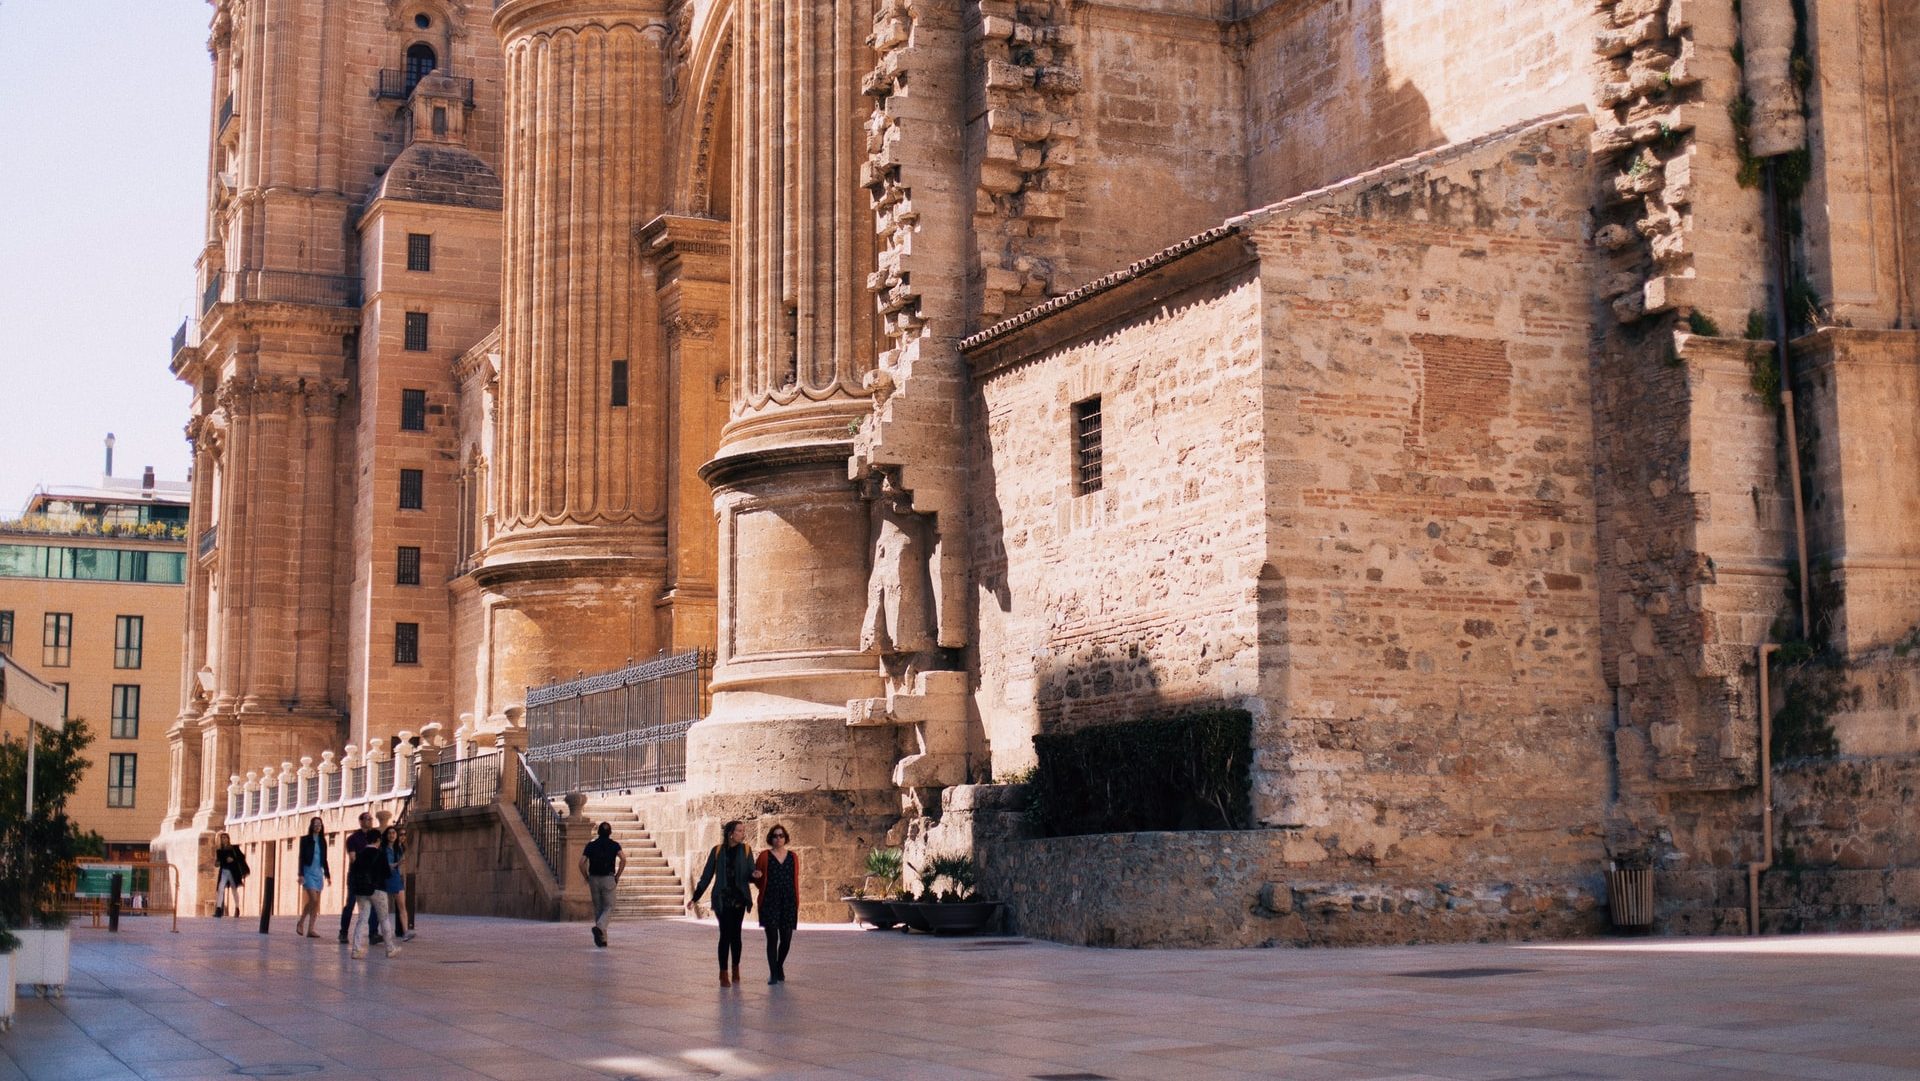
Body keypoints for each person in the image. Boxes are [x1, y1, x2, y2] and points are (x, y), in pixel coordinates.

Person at [688, 820, 753, 987]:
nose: (742, 834)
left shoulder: (746, 850)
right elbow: (706, 876)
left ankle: (735, 967)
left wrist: (756, 875)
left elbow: (750, 873)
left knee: (736, 935)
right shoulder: (717, 851)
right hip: (722, 899)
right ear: (731, 833)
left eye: (743, 831)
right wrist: (695, 897)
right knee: (725, 934)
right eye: (739, 831)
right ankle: (723, 972)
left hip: (738, 898)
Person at [752, 824, 800, 985]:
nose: (778, 838)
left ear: (785, 838)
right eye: (775, 836)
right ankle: (773, 973)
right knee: (772, 939)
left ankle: (779, 966)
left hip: (788, 901)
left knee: (786, 939)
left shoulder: (793, 857)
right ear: (770, 838)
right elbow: (758, 879)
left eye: (781, 836)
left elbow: (795, 879)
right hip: (770, 901)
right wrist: (757, 876)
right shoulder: (765, 856)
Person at [346, 828, 400, 959]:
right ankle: (390, 949)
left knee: (362, 920)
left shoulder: (360, 854)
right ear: (378, 840)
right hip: (378, 890)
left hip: (362, 891)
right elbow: (387, 874)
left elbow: (353, 872)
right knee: (384, 919)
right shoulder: (380, 854)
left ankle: (356, 949)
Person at [338, 812, 383, 945]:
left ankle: (373, 934)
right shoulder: (353, 838)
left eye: (371, 819)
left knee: (374, 904)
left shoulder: (375, 837)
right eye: (367, 819)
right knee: (351, 904)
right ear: (361, 821)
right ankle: (343, 932)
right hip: (356, 876)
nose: (370, 821)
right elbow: (353, 858)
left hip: (371, 877)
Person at [579, 822, 626, 948]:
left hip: (593, 878)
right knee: (609, 906)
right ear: (610, 833)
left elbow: (581, 862)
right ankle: (600, 928)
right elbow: (623, 859)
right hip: (608, 878)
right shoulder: (614, 845)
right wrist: (618, 876)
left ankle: (602, 939)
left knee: (599, 909)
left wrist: (586, 876)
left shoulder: (591, 845)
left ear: (598, 832)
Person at [293, 817, 329, 937]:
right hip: (308, 872)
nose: (318, 825)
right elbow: (301, 857)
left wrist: (328, 875)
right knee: (313, 899)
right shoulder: (305, 840)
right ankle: (301, 922)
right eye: (315, 824)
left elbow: (325, 859)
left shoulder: (323, 841)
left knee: (316, 903)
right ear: (312, 825)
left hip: (318, 872)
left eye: (320, 824)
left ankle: (311, 929)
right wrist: (301, 874)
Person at [380, 826, 411, 942]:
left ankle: (405, 931)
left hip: (396, 878)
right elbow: (386, 865)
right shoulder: (383, 849)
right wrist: (396, 864)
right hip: (386, 879)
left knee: (402, 906)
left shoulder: (399, 848)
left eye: (394, 833)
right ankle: (385, 932)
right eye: (390, 833)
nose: (392, 835)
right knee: (385, 908)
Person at [212, 833, 248, 919]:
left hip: (233, 871)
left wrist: (233, 859)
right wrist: (217, 863)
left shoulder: (234, 848)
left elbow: (241, 857)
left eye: (225, 838)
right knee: (220, 889)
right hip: (224, 871)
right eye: (222, 838)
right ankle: (218, 909)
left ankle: (237, 908)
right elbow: (218, 862)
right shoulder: (219, 851)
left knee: (234, 890)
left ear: (228, 839)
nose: (224, 839)